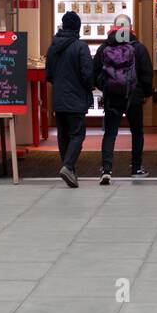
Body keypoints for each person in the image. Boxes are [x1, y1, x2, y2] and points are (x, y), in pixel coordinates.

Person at [93, 15, 154, 184]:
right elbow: (147, 74)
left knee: (110, 132)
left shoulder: (104, 48)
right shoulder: (138, 48)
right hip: (134, 96)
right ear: (130, 28)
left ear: (114, 27)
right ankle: (136, 168)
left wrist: (104, 87)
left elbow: (94, 72)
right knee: (137, 132)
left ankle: (106, 169)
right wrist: (146, 94)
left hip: (112, 96)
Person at [46, 10, 94, 188]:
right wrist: (90, 87)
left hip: (59, 98)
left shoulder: (53, 46)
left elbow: (49, 74)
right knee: (77, 135)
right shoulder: (81, 47)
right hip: (76, 99)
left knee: (63, 135)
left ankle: (70, 170)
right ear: (77, 28)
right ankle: (68, 166)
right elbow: (87, 74)